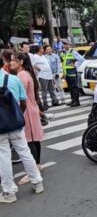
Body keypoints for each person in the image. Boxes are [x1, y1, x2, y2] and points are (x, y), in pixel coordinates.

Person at [0, 59, 44, 203]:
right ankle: (37, 182)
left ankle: (9, 192)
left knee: (4, 157)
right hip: (16, 123)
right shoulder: (13, 79)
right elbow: (23, 101)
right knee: (25, 152)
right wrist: (18, 116)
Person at [10, 55, 44, 185]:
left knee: (29, 140)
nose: (11, 62)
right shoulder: (26, 74)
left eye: (13, 60)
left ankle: (33, 170)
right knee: (34, 139)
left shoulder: (21, 75)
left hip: (27, 110)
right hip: (32, 108)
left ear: (21, 62)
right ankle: (38, 165)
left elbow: (20, 95)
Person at [32, 45, 59, 110]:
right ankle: (45, 103)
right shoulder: (35, 56)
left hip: (49, 75)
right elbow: (32, 64)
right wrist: (37, 68)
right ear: (38, 50)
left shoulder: (43, 56)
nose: (43, 50)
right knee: (44, 90)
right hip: (42, 75)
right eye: (41, 49)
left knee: (52, 89)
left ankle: (54, 101)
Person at [63, 42, 84, 107]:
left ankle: (76, 101)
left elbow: (81, 59)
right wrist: (64, 73)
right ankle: (73, 100)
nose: (65, 45)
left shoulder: (73, 52)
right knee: (70, 88)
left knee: (74, 87)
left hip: (72, 73)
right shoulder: (64, 52)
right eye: (64, 44)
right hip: (67, 73)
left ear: (69, 45)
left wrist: (75, 64)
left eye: (66, 44)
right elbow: (64, 64)